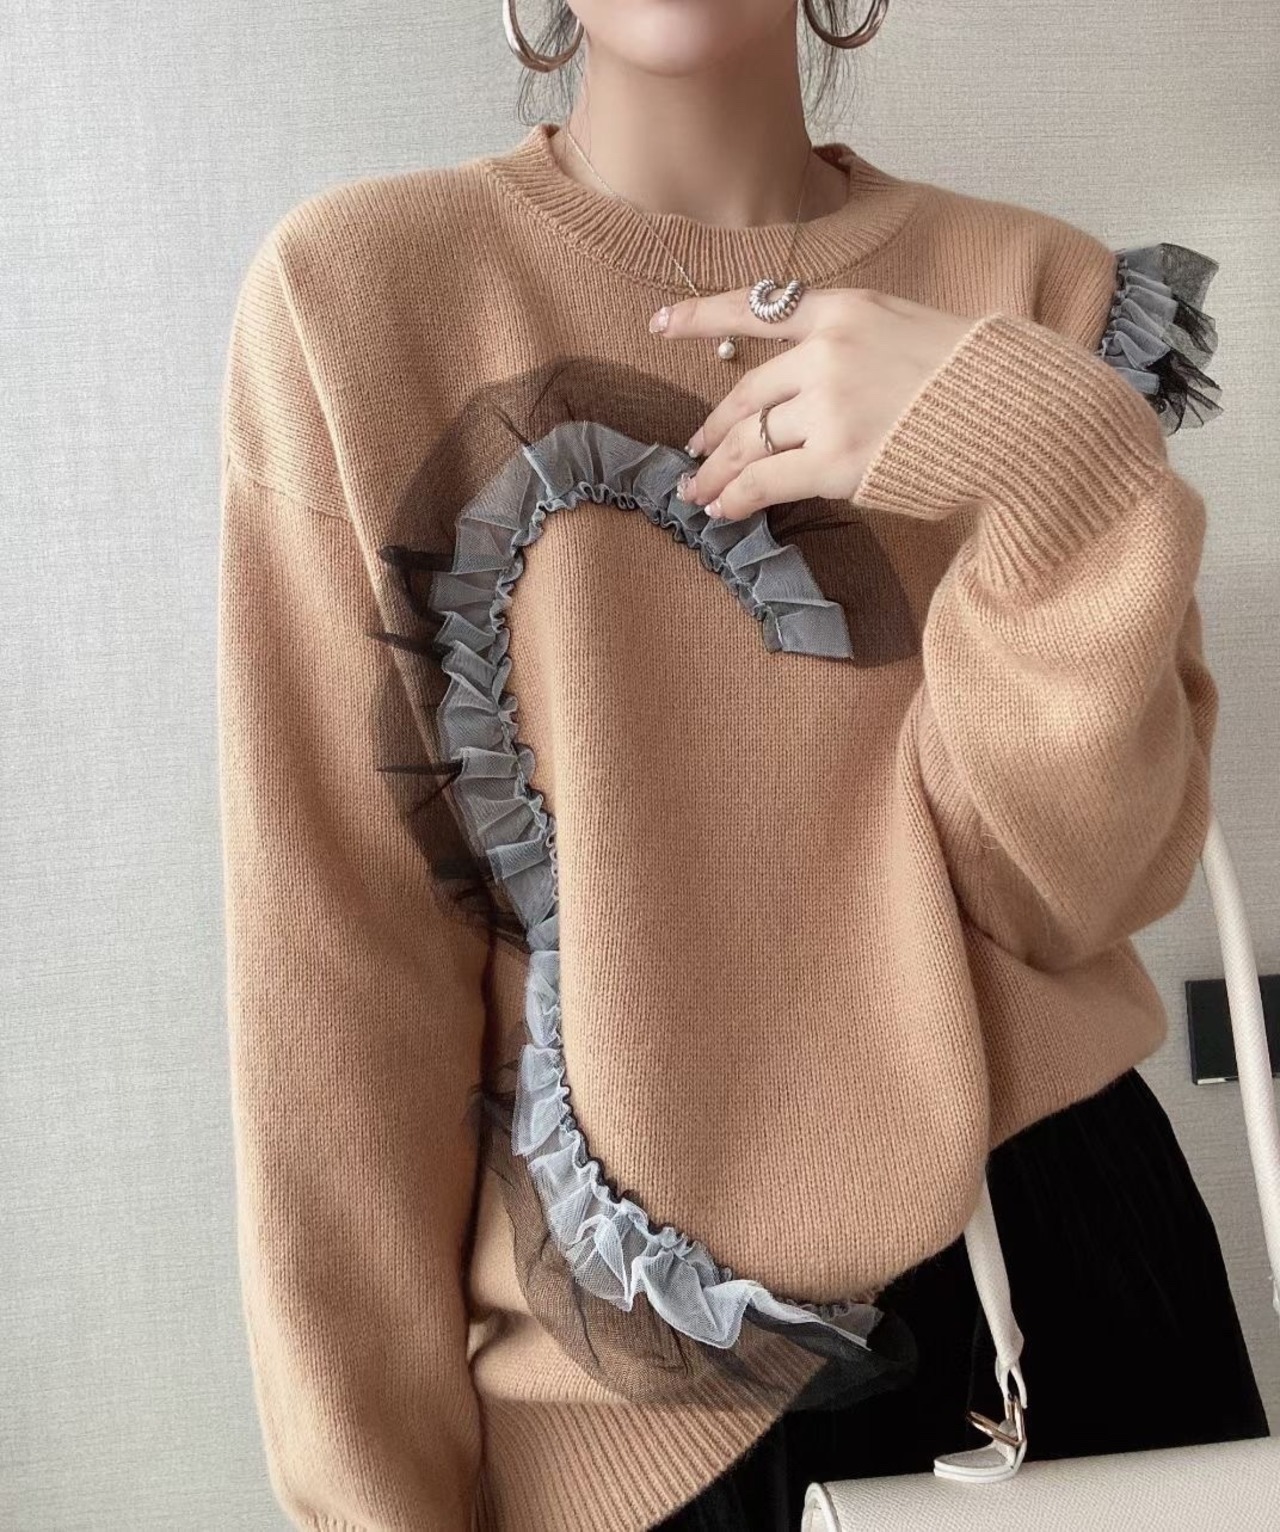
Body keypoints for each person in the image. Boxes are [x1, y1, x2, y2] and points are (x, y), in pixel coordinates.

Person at [214, 3, 1269, 1529]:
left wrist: (1044, 461)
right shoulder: (361, 294)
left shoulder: (1036, 288)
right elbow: (338, 992)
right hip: (646, 1415)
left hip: (1064, 1290)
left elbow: (1072, 891)